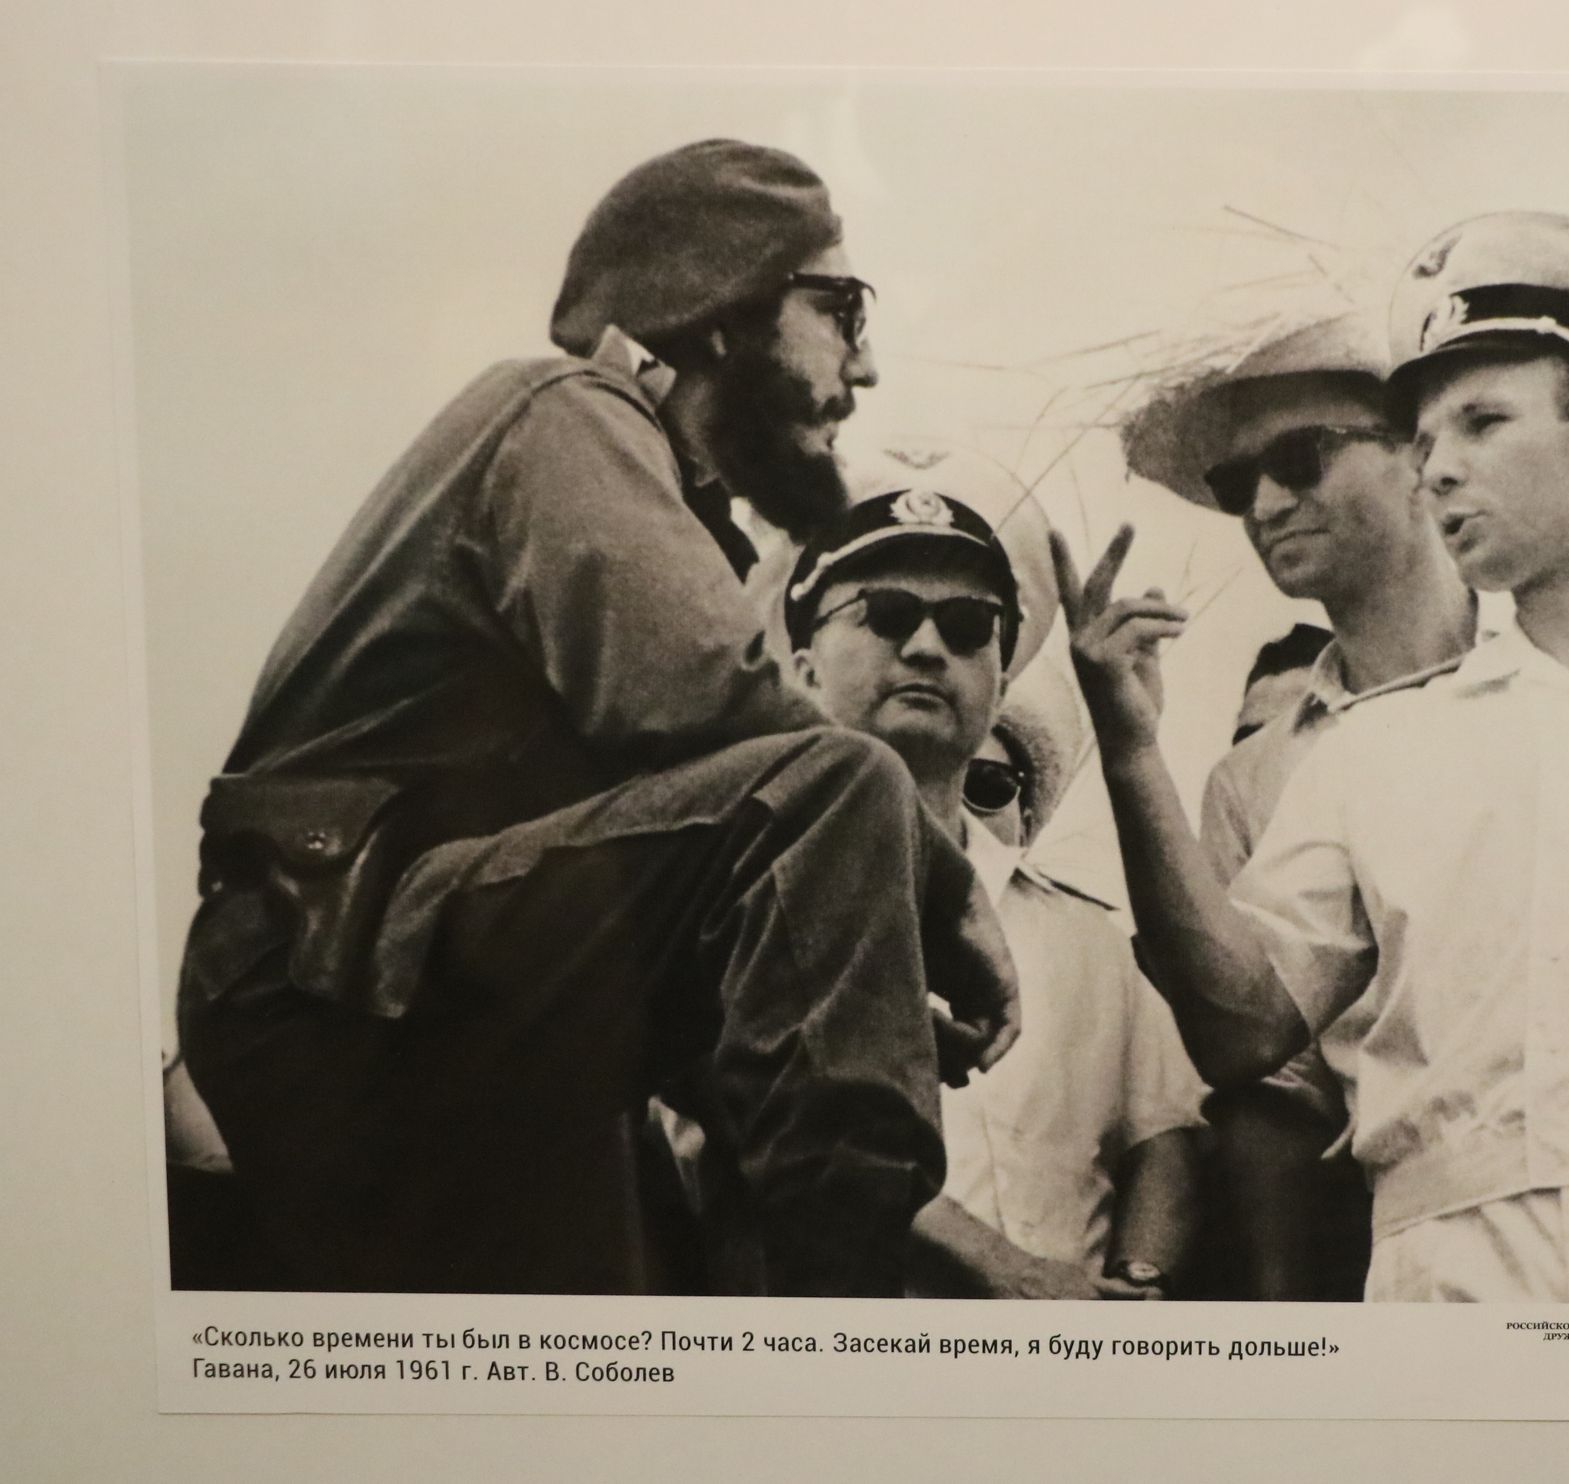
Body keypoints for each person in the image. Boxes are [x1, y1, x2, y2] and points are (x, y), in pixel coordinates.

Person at [175, 140, 1018, 1298]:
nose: (860, 367)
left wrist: (852, 989)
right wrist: (949, 892)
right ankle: (847, 1346)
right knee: (843, 783)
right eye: (840, 309)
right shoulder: (563, 411)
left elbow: (669, 848)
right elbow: (711, 705)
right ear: (718, 312)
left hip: (409, 994)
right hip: (332, 973)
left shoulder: (655, 501)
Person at [1066, 209, 1569, 1303]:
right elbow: (1243, 1034)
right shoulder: (1375, 746)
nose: (1440, 471)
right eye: (1424, 443)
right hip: (1444, 1278)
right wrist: (1131, 752)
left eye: (1482, 424)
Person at [1118, 315, 1477, 1300]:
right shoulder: (1253, 778)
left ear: (1420, 455)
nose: (1267, 505)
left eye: (1301, 458)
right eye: (1239, 482)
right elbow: (1268, 1082)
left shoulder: (1558, 680)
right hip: (1393, 1228)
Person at [785, 489, 1204, 1300]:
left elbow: (1164, 1137)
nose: (927, 646)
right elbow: (779, 1130)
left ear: (1001, 681)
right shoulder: (741, 902)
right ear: (804, 673)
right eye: (887, 613)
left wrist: (1136, 1283)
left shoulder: (1088, 939)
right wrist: (1014, 1278)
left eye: (968, 625)